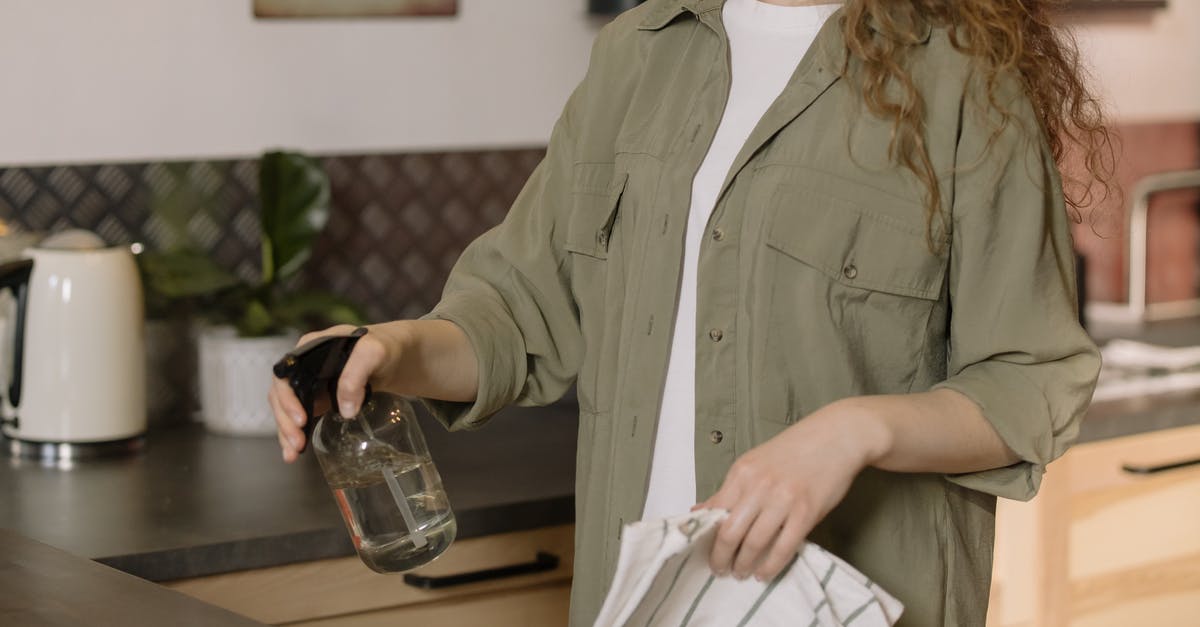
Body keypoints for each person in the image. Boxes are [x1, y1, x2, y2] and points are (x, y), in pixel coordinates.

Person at [270, 0, 1113, 625]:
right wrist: (388, 348)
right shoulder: (637, 55)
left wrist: (855, 430)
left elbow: (1031, 379)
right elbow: (518, 315)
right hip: (636, 604)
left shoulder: (964, 74)